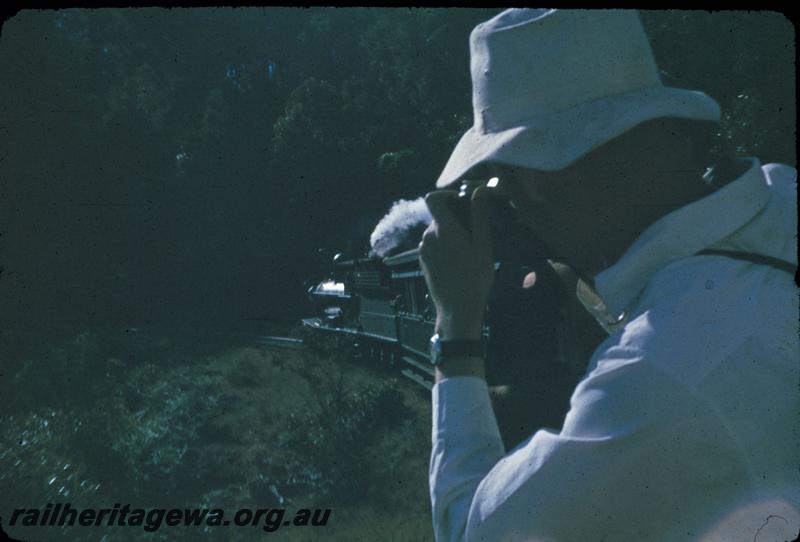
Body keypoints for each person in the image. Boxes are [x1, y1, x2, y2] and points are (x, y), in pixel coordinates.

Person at [418, 9, 799, 542]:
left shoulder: (653, 379)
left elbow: (471, 530)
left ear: (532, 184)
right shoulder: (782, 193)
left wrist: (456, 327)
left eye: (502, 184)